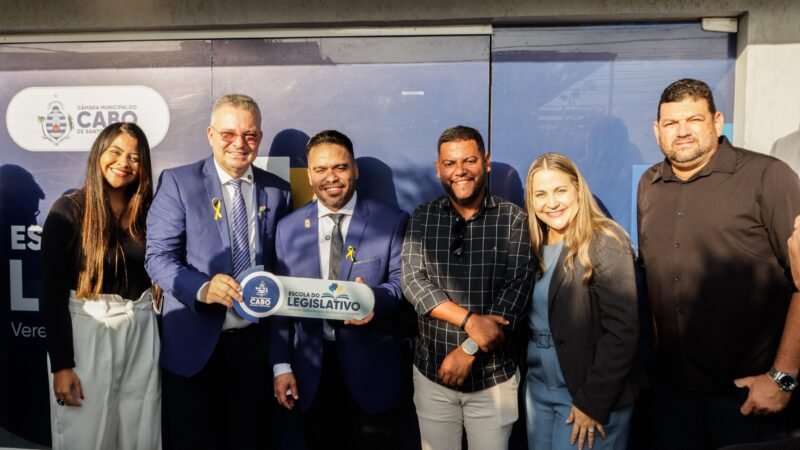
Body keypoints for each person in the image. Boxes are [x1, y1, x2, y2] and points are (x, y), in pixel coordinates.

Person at [637, 78, 800, 449]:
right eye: (670, 123)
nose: (681, 132)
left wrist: (783, 379)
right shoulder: (649, 184)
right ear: (656, 130)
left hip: (747, 397)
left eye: (693, 119)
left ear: (717, 121)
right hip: (671, 397)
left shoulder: (768, 178)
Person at [145, 94, 292, 449]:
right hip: (194, 350)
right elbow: (157, 257)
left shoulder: (279, 191)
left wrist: (279, 360)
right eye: (228, 133)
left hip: (253, 351)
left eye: (250, 135)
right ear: (210, 135)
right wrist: (202, 288)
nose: (239, 144)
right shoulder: (179, 183)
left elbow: (284, 270)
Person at [270, 130, 410, 450]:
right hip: (311, 375)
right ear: (309, 175)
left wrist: (372, 300)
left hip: (371, 371)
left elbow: (401, 283)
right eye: (320, 170)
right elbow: (279, 305)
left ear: (355, 170)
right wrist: (281, 366)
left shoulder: (390, 221)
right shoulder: (287, 228)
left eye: (340, 167)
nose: (330, 178)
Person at [402, 125, 534, 450]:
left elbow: (513, 298)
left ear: (486, 162)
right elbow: (412, 281)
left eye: (469, 160)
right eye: (450, 163)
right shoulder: (422, 218)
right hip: (432, 375)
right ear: (438, 169)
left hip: (493, 380)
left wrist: (467, 350)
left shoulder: (513, 221)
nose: (459, 171)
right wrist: (469, 321)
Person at [42, 122, 160, 449]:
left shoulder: (150, 213)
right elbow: (50, 296)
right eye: (116, 152)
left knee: (140, 436)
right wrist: (62, 365)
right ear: (98, 155)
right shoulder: (68, 211)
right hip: (87, 331)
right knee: (86, 437)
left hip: (140, 329)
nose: (124, 163)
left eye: (135, 157)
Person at [524, 153, 645, 450]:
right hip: (539, 393)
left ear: (578, 189)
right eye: (540, 194)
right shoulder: (533, 246)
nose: (551, 203)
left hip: (588, 396)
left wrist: (593, 402)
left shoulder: (604, 240)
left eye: (560, 190)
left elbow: (622, 333)